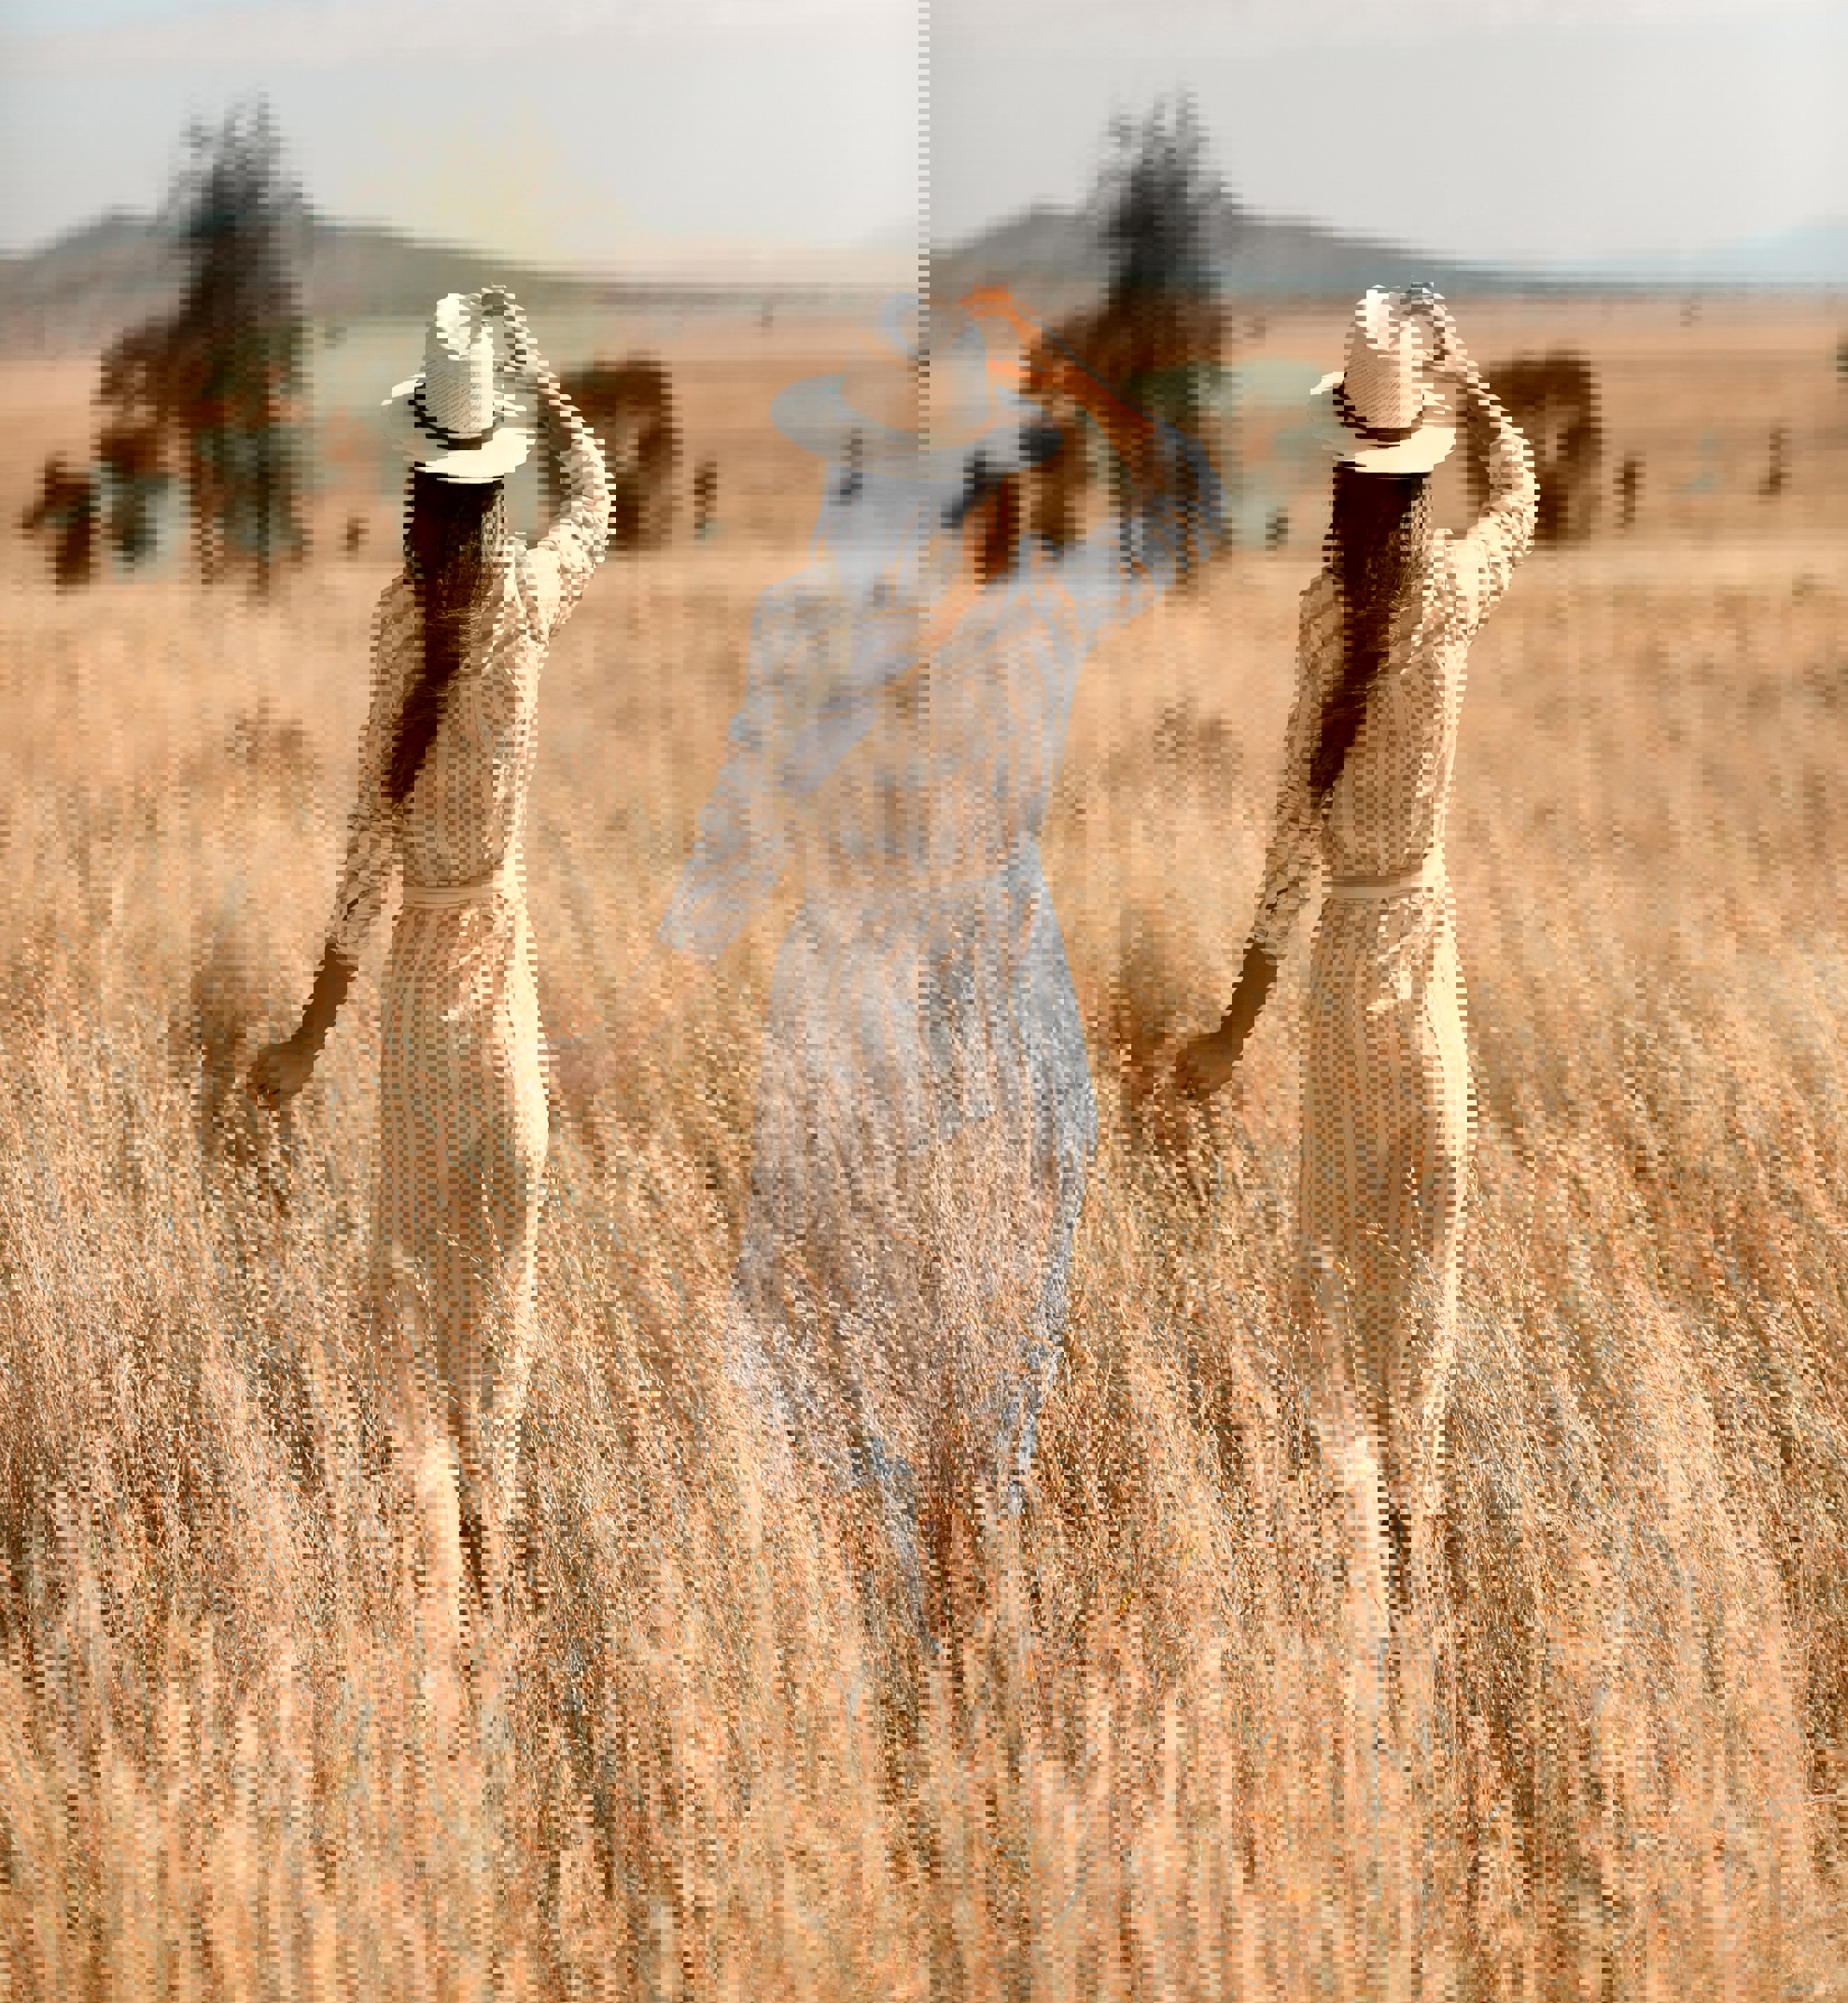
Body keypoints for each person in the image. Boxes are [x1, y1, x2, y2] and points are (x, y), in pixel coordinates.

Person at [558, 284, 1219, 1637]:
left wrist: (1075, 382)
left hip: (980, 989)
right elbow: (736, 842)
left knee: (980, 1359)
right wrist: (623, 1034)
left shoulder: (1035, 614)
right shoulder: (863, 627)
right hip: (871, 994)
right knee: (844, 1340)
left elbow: (1189, 510)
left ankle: (950, 1643)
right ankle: (884, 1646)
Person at [1176, 288, 1536, 1627]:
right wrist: (1471, 379)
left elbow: (1285, 847)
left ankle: (1350, 1555)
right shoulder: (1449, 590)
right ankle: (1408, 1537)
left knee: (1338, 1255)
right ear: (1422, 456)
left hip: (1338, 967)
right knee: (1421, 1247)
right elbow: (1525, 499)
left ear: (1342, 466)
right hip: (1421, 952)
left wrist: (1232, 1026)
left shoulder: (1332, 616)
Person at [252, 289, 609, 1600]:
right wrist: (540, 376)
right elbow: (601, 499)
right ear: (490, 476)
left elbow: (360, 852)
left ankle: (471, 1552)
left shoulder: (487, 604)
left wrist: (303, 1035)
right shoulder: (467, 610)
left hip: (457, 976)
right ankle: (456, 1557)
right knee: (450, 1276)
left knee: (464, 1247)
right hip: (453, 981)